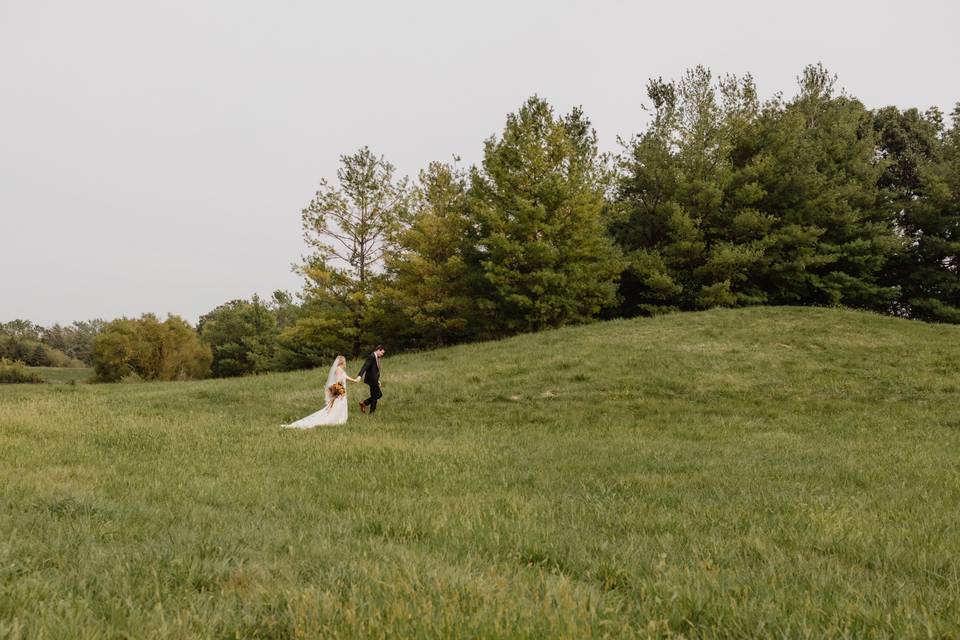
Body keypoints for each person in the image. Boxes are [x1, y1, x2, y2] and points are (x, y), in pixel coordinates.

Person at [281, 355, 359, 428]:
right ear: (342, 362)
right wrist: (340, 393)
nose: (346, 363)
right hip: (340, 393)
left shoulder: (341, 370)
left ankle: (340, 421)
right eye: (345, 361)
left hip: (342, 392)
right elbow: (338, 382)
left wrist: (354, 380)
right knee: (336, 407)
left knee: (340, 407)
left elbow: (345, 377)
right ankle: (335, 421)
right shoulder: (338, 370)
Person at [357, 345, 385, 414]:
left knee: (376, 395)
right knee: (377, 395)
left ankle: (364, 403)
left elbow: (373, 371)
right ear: (378, 350)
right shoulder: (372, 356)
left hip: (374, 380)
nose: (382, 355)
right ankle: (370, 412)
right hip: (371, 380)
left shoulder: (376, 357)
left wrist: (377, 380)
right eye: (382, 353)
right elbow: (365, 366)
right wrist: (359, 376)